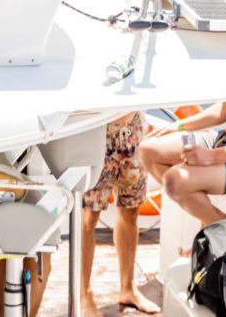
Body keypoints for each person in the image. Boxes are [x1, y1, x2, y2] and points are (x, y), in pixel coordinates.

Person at [140, 98, 226, 225]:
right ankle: (207, 217)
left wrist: (211, 156)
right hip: (223, 140)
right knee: (148, 150)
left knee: (174, 180)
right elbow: (222, 112)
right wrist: (179, 125)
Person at [80, 114, 159, 314]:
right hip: (99, 133)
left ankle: (128, 288)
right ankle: (84, 294)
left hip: (134, 131)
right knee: (89, 216)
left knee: (131, 211)